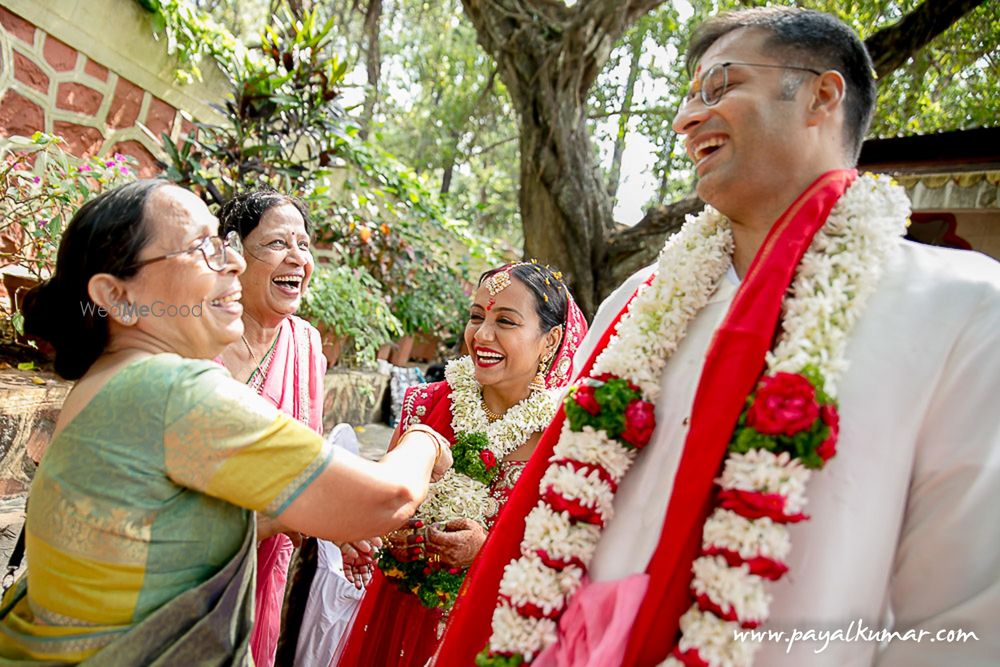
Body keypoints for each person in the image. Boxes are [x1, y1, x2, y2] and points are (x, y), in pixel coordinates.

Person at [434, 7, 1000, 667]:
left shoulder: (959, 309)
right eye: (687, 96)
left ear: (822, 95)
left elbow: (961, 618)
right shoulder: (640, 300)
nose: (685, 118)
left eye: (719, 87)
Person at [0, 180, 452, 664]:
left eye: (223, 244)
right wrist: (427, 438)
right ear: (117, 295)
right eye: (202, 249)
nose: (234, 262)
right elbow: (388, 497)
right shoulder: (172, 389)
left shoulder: (111, 377)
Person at [336, 262, 587, 667]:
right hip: (402, 613)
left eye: (505, 321)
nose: (482, 335)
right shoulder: (426, 404)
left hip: (493, 628)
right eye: (476, 317)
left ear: (550, 339)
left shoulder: (568, 438)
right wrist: (371, 531)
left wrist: (486, 552)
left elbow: (572, 557)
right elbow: (382, 499)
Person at [216, 189, 325, 667]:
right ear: (233, 253)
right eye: (279, 243)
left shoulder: (306, 344)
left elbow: (312, 463)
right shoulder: (199, 336)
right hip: (187, 563)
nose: (297, 258)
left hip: (265, 565)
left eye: (303, 244)